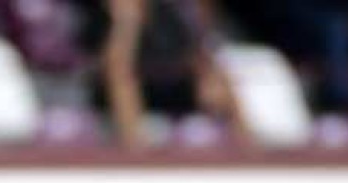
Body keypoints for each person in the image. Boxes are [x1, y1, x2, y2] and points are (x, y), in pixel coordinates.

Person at [100, 0, 252, 150]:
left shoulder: (181, 13)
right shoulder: (113, 17)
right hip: (115, 101)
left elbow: (202, 57)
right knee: (122, 82)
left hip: (176, 92)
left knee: (219, 84)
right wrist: (127, 22)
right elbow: (116, 68)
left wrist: (208, 82)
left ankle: (250, 155)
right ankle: (136, 155)